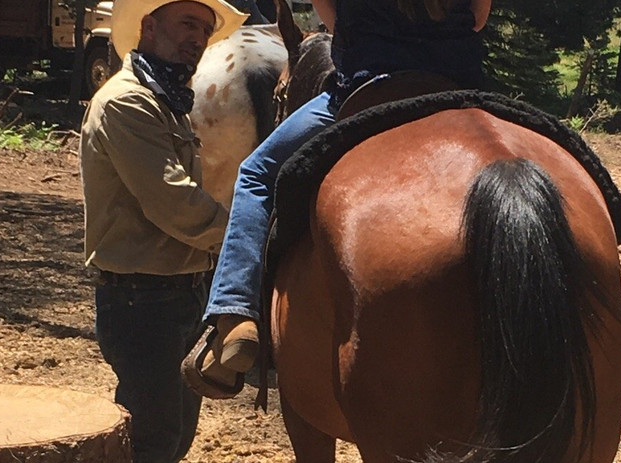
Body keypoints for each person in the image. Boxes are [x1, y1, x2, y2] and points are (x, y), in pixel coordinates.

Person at [190, 0, 492, 395]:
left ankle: (235, 314)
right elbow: (477, 20)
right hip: (458, 90)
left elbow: (333, 22)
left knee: (257, 175)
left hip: (368, 87)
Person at [79, 0, 245, 463]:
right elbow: (175, 204)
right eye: (185, 25)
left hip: (174, 291)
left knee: (170, 437)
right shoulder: (127, 103)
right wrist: (250, 236)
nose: (196, 39)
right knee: (149, 444)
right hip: (142, 297)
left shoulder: (164, 98)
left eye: (204, 29)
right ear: (147, 28)